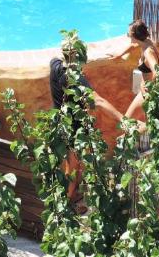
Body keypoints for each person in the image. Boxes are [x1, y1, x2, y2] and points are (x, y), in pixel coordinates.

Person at [49, 38, 123, 208]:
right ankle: (63, 209)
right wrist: (122, 119)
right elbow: (99, 101)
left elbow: (59, 58)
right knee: (72, 170)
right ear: (76, 54)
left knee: (73, 166)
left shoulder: (54, 65)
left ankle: (71, 199)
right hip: (74, 130)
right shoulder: (77, 79)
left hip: (61, 124)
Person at [116, 19, 159, 120]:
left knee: (127, 121)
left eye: (128, 33)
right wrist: (119, 54)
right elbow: (133, 45)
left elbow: (157, 72)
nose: (127, 35)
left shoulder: (147, 52)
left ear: (134, 35)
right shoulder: (146, 42)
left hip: (146, 93)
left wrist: (150, 90)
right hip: (142, 87)